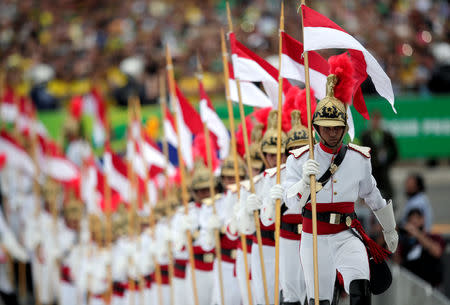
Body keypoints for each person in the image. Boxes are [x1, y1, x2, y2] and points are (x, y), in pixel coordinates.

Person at [284, 55, 398, 305]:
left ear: (345, 127)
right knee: (321, 300)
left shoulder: (359, 158)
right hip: (314, 237)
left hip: (347, 233)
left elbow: (372, 194)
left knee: (361, 290)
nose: (332, 132)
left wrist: (389, 227)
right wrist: (304, 182)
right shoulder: (299, 159)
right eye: (326, 127)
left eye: (337, 127)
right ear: (316, 128)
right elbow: (290, 205)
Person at [396, 209, 445, 287]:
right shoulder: (405, 243)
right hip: (412, 288)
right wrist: (395, 238)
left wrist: (417, 233)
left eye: (415, 222)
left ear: (422, 220)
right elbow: (397, 263)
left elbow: (437, 252)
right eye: (410, 222)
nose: (412, 226)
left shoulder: (434, 237)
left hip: (433, 289)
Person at [360, 110, 398, 201]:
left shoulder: (387, 135)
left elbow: (395, 152)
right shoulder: (365, 135)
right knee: (369, 196)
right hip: (371, 171)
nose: (376, 123)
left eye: (378, 120)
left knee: (387, 197)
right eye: (374, 120)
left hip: (383, 172)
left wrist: (388, 162)